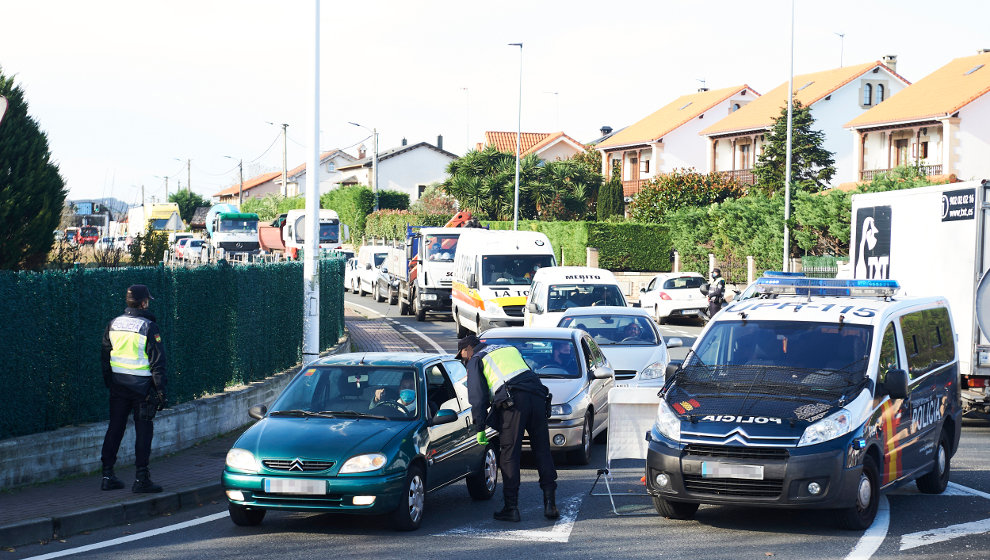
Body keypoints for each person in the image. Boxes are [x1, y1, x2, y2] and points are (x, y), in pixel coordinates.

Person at [459, 334, 558, 522]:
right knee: (542, 451)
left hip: (514, 402)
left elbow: (477, 397)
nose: (464, 360)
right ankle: (550, 504)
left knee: (509, 454)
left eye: (463, 355)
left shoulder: (476, 359)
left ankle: (511, 508)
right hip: (537, 395)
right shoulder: (508, 349)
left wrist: (480, 427)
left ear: (468, 349)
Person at [100, 284, 167, 493]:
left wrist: (110, 382)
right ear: (143, 302)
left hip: (119, 385)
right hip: (143, 389)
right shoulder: (149, 327)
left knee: (115, 429)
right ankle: (141, 479)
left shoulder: (113, 324)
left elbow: (105, 357)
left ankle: (107, 475)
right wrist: (161, 392)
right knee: (143, 432)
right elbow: (157, 362)